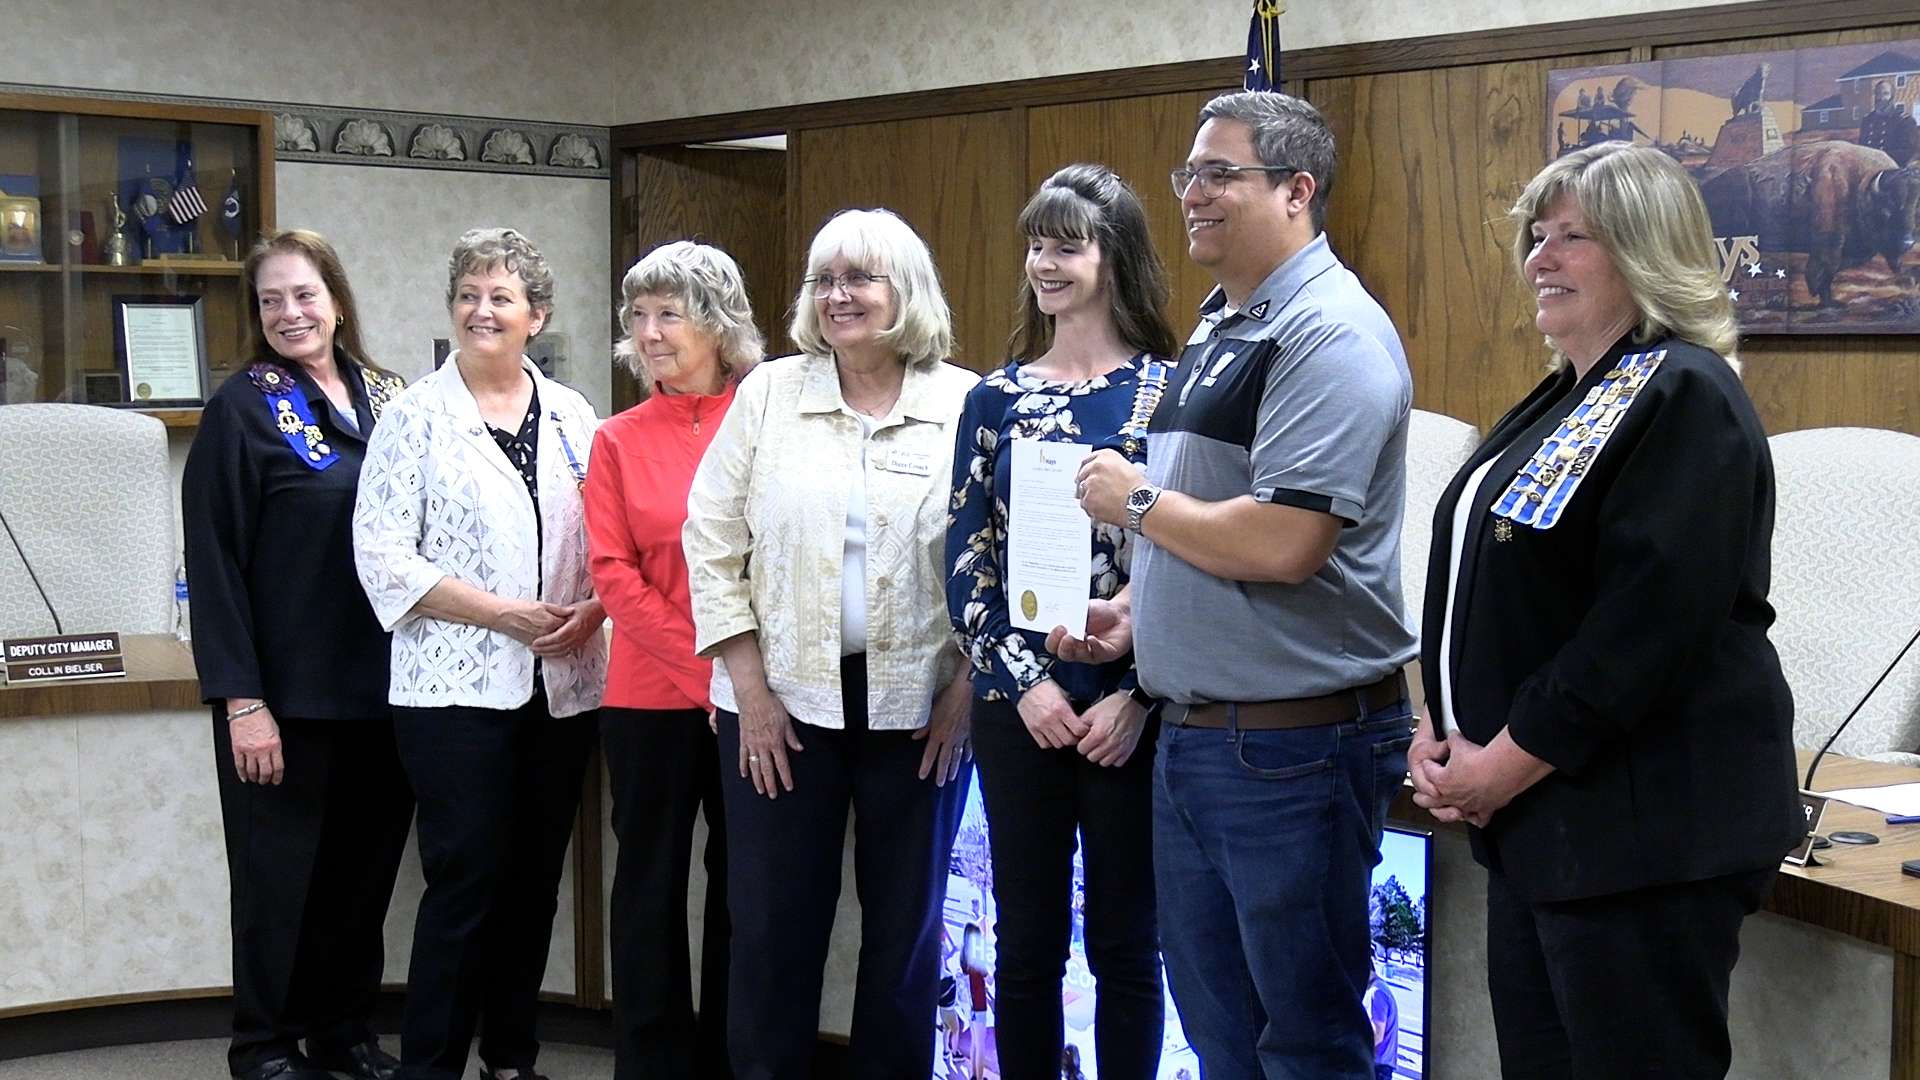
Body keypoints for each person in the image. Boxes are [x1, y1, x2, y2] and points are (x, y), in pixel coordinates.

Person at [1407, 141, 1801, 1078]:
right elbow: (1489, 580)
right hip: (1547, 827)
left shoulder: (1687, 393)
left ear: (1644, 249)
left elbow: (1644, 628)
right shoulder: (1572, 395)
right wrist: (1441, 718)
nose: (1540, 258)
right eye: (1537, 237)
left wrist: (1497, 763)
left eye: (1571, 238)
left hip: (1642, 833)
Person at [1065, 91, 1416, 1078]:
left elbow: (1284, 542)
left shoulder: (1328, 334)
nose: (1194, 194)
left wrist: (1134, 504)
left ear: (1298, 191)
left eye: (1223, 173)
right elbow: (1208, 513)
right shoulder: (1225, 323)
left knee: (1303, 1041)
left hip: (1292, 749)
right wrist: (1139, 610)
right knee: (1221, 1035)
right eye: (1190, 173)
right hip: (1197, 738)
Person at [683, 207, 978, 1079]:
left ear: (907, 292)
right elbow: (710, 538)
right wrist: (752, 694)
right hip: (779, 715)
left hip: (921, 717)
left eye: (861, 277)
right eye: (825, 280)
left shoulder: (965, 403)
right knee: (771, 933)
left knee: (905, 941)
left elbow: (988, 558)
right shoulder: (770, 393)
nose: (839, 295)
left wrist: (966, 690)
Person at [353, 227, 607, 1080]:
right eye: (469, 295)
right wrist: (505, 615)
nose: (482, 310)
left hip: (561, 684)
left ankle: (511, 1058)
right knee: (466, 888)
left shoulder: (574, 414)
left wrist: (595, 607)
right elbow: (384, 558)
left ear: (537, 314)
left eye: (502, 297)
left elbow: (611, 540)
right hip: (450, 691)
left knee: (535, 884)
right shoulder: (413, 416)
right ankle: (431, 1068)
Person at [946, 163, 1178, 1080]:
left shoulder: (1172, 390)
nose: (1045, 262)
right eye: (1036, 243)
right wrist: (1027, 686)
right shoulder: (993, 399)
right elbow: (965, 560)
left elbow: (1195, 555)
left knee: (1129, 947)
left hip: (1133, 714)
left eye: (1067, 243)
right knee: (1024, 945)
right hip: (1022, 711)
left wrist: (1135, 694)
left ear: (1113, 257)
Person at [184, 229, 413, 1080]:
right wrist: (242, 702)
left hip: (387, 695)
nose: (290, 312)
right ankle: (265, 1046)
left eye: (305, 294)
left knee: (360, 885)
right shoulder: (242, 406)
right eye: (272, 300)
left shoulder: (392, 395)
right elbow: (212, 563)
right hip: (282, 702)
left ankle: (343, 1033)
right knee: (280, 886)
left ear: (338, 300)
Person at [585, 240, 763, 1080]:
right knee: (647, 890)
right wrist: (708, 676)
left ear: (719, 325)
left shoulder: (765, 417)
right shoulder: (616, 439)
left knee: (744, 888)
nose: (650, 333)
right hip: (651, 697)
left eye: (669, 314)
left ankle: (731, 1059)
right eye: (640, 316)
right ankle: (650, 1066)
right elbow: (612, 576)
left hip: (757, 699)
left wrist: (740, 682)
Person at [1859, 79, 1918, 167]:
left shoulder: (1904, 121)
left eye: (1885, 94)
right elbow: (1862, 147)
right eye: (1878, 94)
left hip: (1892, 168)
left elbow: (1907, 152)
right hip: (1867, 167)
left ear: (1892, 96)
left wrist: (1878, 157)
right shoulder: (1868, 120)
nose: (1881, 98)